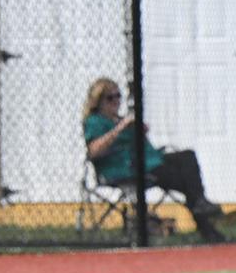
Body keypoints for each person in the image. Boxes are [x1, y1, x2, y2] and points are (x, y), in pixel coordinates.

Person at [82, 78, 225, 243]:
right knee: (184, 180)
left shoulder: (119, 119)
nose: (116, 101)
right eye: (110, 98)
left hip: (146, 162)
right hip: (122, 170)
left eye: (118, 96)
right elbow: (94, 151)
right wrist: (120, 129)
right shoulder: (95, 121)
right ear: (98, 101)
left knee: (187, 157)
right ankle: (207, 228)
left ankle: (201, 204)